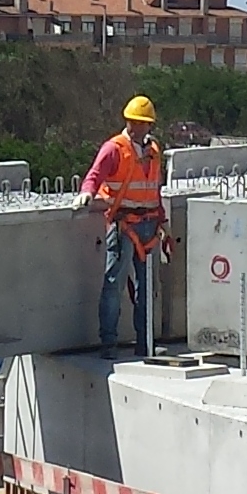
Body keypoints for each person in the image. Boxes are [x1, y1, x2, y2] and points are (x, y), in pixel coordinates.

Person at [80, 96, 169, 352]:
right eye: (132, 122)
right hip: (123, 226)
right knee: (114, 285)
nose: (136, 127)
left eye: (141, 123)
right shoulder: (115, 148)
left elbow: (154, 190)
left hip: (149, 225)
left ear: (149, 125)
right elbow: (94, 175)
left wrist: (162, 222)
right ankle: (108, 343)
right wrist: (87, 192)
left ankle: (146, 344)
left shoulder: (153, 151)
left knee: (146, 289)